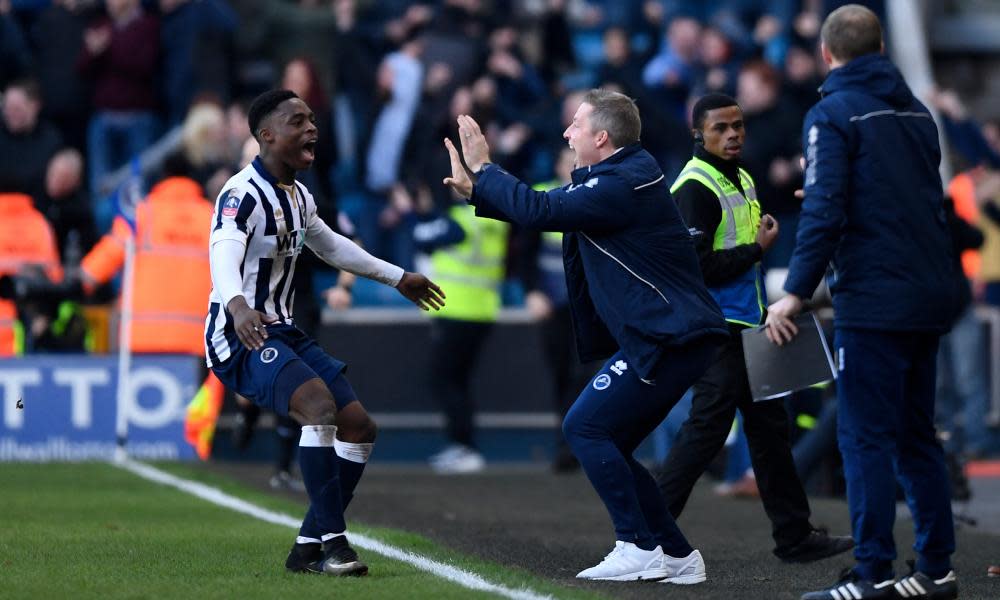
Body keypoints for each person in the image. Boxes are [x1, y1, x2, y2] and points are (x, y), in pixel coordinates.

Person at [443, 88, 729, 584]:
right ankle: (678, 556)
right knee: (609, 438)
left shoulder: (624, 182)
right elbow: (547, 207)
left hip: (670, 335)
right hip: (670, 333)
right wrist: (482, 192)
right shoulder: (621, 176)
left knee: (585, 428)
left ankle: (637, 545)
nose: (565, 132)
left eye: (575, 124)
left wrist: (486, 171)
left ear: (601, 137)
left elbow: (542, 212)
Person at [764, 6, 959, 600]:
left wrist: (793, 294)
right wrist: (830, 189)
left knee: (864, 437)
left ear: (827, 54)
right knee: (915, 435)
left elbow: (824, 214)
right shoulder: (916, 113)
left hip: (875, 298)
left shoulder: (832, 112)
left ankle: (872, 572)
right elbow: (912, 196)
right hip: (928, 293)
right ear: (879, 49)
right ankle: (936, 569)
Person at [207, 89, 444, 576]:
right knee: (318, 408)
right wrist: (236, 306)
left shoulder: (298, 196)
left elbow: (333, 247)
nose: (312, 128)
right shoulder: (240, 194)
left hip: (282, 330)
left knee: (358, 426)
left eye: (313, 119)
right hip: (240, 336)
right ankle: (336, 545)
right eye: (298, 121)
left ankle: (307, 546)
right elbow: (223, 253)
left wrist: (398, 277)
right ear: (266, 136)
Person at [654, 93, 853, 564]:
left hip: (750, 324)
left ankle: (794, 535)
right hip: (718, 329)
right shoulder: (695, 187)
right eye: (721, 128)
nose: (733, 134)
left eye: (738, 126)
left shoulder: (740, 177)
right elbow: (696, 268)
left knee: (770, 431)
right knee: (708, 430)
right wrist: (758, 250)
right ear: (698, 135)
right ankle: (645, 531)